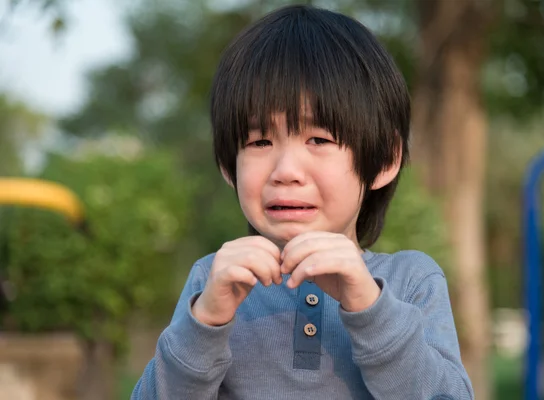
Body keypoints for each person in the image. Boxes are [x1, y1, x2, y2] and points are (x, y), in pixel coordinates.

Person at [132, 4, 473, 399]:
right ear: (229, 165)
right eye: (259, 141)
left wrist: (369, 305)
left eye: (319, 140)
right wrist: (205, 320)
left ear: (384, 159)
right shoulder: (212, 282)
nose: (286, 170)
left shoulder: (412, 282)